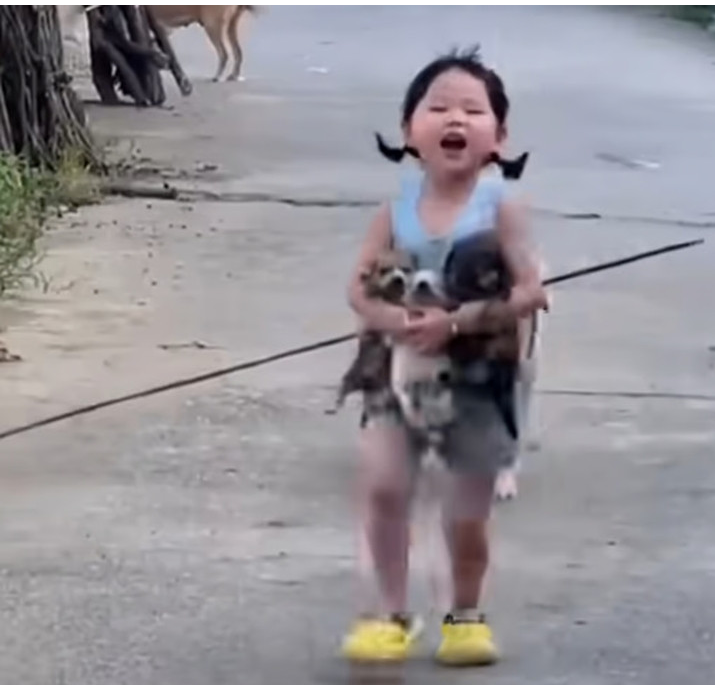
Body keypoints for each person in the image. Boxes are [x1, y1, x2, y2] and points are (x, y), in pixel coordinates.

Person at [342, 45, 548, 666]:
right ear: (409, 130)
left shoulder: (502, 209)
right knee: (384, 489)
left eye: (473, 110)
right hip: (396, 373)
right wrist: (394, 321)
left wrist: (456, 322)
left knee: (465, 513)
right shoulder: (393, 211)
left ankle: (464, 616)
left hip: (478, 376)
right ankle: (390, 615)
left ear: (499, 137)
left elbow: (529, 292)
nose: (455, 118)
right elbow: (358, 289)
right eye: (438, 107)